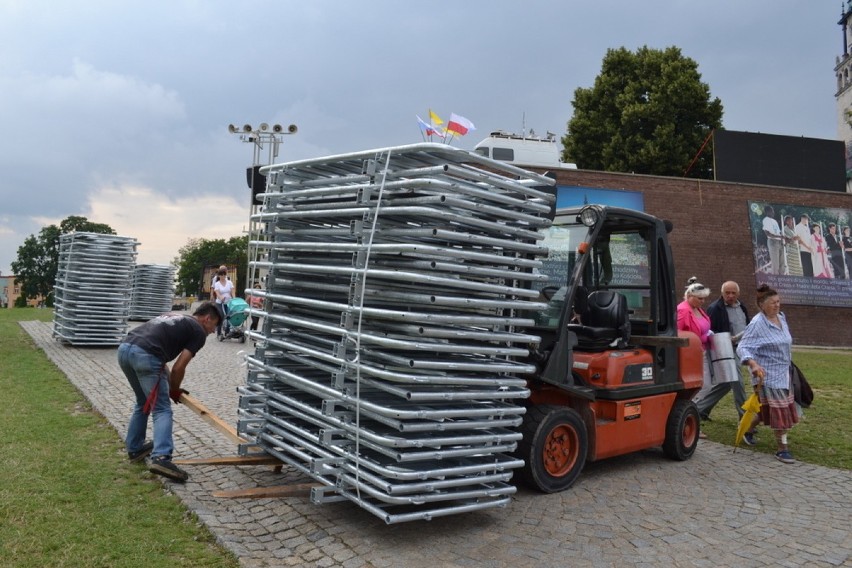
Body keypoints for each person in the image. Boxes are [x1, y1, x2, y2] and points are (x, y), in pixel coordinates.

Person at [118, 302, 221, 481]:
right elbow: (178, 367)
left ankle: (135, 448)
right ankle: (162, 458)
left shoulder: (175, 316)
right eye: (215, 325)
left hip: (125, 350)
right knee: (162, 409)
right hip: (146, 355)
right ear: (207, 319)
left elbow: (159, 357)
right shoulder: (198, 332)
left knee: (143, 402)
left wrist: (172, 386)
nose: (213, 331)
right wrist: (173, 390)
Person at [736, 284, 798, 464]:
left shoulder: (781, 318)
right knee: (780, 414)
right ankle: (782, 449)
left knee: (765, 409)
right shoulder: (757, 324)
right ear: (762, 305)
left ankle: (746, 428)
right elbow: (743, 347)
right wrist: (753, 364)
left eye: (778, 302)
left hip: (784, 373)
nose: (777, 305)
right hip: (766, 375)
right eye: (773, 303)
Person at [699, 281, 749, 422]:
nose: (730, 295)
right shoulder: (715, 308)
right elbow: (708, 331)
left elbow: (747, 326)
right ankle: (745, 418)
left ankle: (700, 409)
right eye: (727, 292)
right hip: (724, 350)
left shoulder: (742, 307)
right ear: (722, 293)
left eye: (733, 293)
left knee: (727, 383)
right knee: (737, 381)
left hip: (741, 348)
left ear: (738, 294)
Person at [676, 277, 712, 437]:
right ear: (689, 296)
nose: (703, 301)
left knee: (704, 386)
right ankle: (688, 418)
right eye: (700, 298)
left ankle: (691, 417)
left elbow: (703, 328)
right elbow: (677, 333)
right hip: (689, 354)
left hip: (700, 351)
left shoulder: (698, 310)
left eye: (704, 298)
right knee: (700, 387)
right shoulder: (683, 310)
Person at [761, 206, 785, 275]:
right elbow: (768, 234)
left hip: (779, 242)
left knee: (782, 263)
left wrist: (782, 239)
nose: (773, 212)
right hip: (773, 242)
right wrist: (780, 236)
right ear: (767, 212)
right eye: (771, 211)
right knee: (775, 264)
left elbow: (779, 232)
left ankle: (782, 280)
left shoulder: (774, 221)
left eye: (773, 210)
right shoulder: (766, 220)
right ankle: (776, 280)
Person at [212, 268, 235, 337]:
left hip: (228, 302)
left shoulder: (229, 282)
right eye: (221, 275)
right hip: (220, 302)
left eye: (224, 274)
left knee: (229, 316)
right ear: (219, 276)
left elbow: (232, 291)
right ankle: (219, 333)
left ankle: (227, 332)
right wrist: (221, 297)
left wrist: (234, 298)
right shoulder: (217, 284)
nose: (223, 276)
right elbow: (217, 293)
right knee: (221, 316)